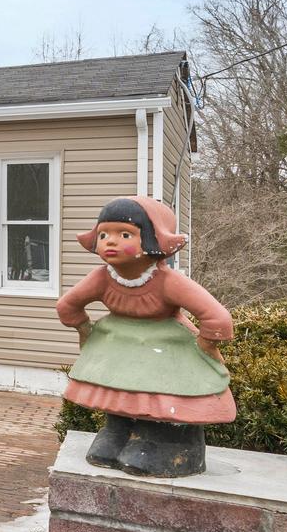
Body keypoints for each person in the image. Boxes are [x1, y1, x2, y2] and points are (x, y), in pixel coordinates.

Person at [55, 195, 234, 477]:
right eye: (103, 234)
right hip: (118, 346)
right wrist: (84, 330)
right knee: (118, 389)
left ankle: (165, 443)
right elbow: (68, 305)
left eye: (125, 234)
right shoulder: (103, 277)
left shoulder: (167, 281)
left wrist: (206, 345)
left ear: (152, 240)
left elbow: (217, 317)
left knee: (162, 395)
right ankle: (117, 432)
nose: (110, 242)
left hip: (166, 348)